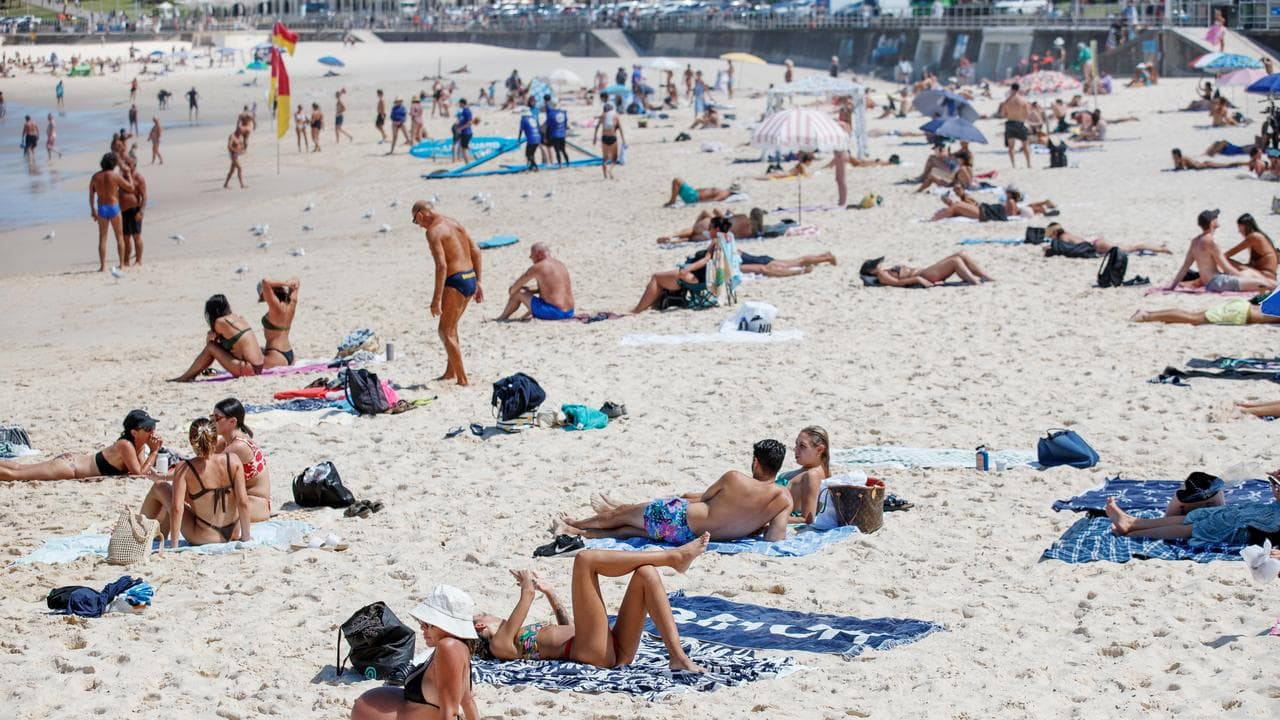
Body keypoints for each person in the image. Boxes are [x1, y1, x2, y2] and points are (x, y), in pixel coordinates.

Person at [472, 542, 709, 674]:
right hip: (592, 651)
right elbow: (528, 595)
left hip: (607, 646)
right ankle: (672, 558)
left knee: (646, 574)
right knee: (584, 560)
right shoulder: (499, 645)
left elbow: (568, 628)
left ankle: (677, 657)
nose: (491, 613)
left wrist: (552, 594)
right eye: (484, 614)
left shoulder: (514, 637)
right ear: (480, 624)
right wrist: (527, 584)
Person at [551, 440, 792, 543]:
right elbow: (776, 537)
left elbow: (706, 498)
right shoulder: (782, 498)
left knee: (620, 516)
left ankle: (573, 526)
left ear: (756, 462)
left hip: (676, 519)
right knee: (626, 530)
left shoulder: (735, 478)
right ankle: (587, 532)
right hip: (689, 538)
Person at [350, 585, 481, 720]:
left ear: (446, 625)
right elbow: (467, 701)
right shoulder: (458, 648)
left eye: (428, 623)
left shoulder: (448, 647)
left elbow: (450, 711)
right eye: (422, 621)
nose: (422, 627)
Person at [140, 418, 251, 547]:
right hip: (233, 533)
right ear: (215, 440)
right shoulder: (233, 460)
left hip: (204, 536)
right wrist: (246, 537)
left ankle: (137, 532)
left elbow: (177, 508)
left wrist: (174, 545)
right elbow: (243, 502)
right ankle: (159, 536)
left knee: (160, 487)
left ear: (191, 441)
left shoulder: (184, 467)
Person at [413, 201, 484, 386]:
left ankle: (463, 379)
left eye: (416, 221)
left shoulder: (433, 232)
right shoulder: (454, 222)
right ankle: (451, 371)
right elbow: (476, 251)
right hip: (470, 277)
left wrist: (436, 299)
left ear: (421, 215)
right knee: (452, 327)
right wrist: (479, 281)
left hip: (456, 281)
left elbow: (442, 266)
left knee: (444, 331)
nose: (419, 226)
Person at [0, 409, 161, 481]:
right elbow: (138, 473)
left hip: (71, 463)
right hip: (69, 468)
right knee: (18, 474)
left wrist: (149, 449)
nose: (152, 431)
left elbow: (143, 470)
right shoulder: (125, 445)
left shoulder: (136, 446)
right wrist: (154, 452)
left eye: (152, 427)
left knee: (19, 468)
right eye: (147, 428)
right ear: (134, 432)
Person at [1104, 480, 1280, 545]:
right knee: (1202, 515)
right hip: (1260, 515)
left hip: (1257, 530)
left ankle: (1132, 531)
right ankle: (1133, 523)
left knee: (1198, 527)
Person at [1166, 209, 1273, 292]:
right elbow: (1226, 267)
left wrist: (1172, 286)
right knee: (1267, 284)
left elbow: (1185, 267)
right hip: (1218, 282)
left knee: (1250, 273)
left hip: (1211, 282)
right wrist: (1242, 277)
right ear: (1212, 223)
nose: (1217, 219)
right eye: (1216, 218)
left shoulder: (1195, 242)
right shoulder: (1211, 242)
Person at [170, 294, 269, 381]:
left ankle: (187, 376)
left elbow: (211, 343)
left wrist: (208, 339)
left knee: (211, 347)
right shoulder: (238, 317)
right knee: (213, 347)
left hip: (248, 369)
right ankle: (188, 376)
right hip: (259, 367)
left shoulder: (220, 322)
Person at [211, 398, 271, 522]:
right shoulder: (226, 442)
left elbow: (205, 468)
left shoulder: (239, 446)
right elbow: (202, 461)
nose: (212, 423)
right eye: (211, 417)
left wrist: (163, 476)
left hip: (256, 504)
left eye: (216, 418)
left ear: (232, 422)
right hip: (242, 500)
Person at [496, 243, 575, 321]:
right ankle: (526, 314)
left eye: (532, 254)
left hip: (554, 313)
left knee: (518, 292)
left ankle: (502, 317)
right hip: (569, 312)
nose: (530, 257)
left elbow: (513, 289)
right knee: (524, 291)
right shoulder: (560, 264)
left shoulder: (538, 267)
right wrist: (529, 290)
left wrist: (513, 290)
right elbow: (550, 289)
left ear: (539, 254)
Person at [89, 152, 135, 272]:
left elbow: (91, 195)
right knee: (119, 237)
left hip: (102, 208)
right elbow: (130, 188)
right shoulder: (114, 176)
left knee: (102, 238)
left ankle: (103, 266)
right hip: (114, 207)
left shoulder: (95, 177)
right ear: (114, 163)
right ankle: (121, 264)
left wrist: (93, 210)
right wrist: (129, 173)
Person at [860, 253, 995, 287]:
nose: (879, 264)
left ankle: (986, 277)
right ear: (872, 271)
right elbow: (898, 283)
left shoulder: (883, 272)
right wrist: (918, 279)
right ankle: (974, 282)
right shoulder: (883, 276)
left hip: (926, 272)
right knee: (955, 261)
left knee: (960, 254)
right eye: (876, 265)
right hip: (925, 275)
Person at [1043, 222, 1170, 256]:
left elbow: (1067, 248)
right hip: (1097, 242)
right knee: (1130, 248)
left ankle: (1160, 249)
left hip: (1097, 246)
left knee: (1132, 248)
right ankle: (1157, 248)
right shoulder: (1067, 233)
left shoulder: (1063, 238)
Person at [1130, 298, 1280, 326]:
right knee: (1193, 318)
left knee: (1192, 316)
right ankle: (1147, 315)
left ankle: (1151, 315)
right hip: (1239, 313)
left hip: (1241, 308)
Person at [658, 207, 765, 244]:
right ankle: (674, 240)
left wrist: (724, 214)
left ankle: (673, 235)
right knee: (691, 237)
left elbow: (725, 221)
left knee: (694, 228)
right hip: (713, 234)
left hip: (712, 227)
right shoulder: (753, 232)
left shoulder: (742, 217)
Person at [1224, 213, 1278, 283]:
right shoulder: (1259, 236)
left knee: (1225, 261)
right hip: (1267, 275)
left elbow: (1231, 253)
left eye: (1240, 228)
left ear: (1246, 226)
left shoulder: (1254, 237)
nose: (1239, 231)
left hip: (1265, 276)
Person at [997, 82, 1032, 169]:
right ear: (1018, 89)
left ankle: (1013, 165)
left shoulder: (1007, 101)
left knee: (1011, 147)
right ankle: (1028, 164)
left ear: (1011, 89)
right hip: (1020, 123)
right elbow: (1027, 113)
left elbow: (1002, 114)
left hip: (1010, 123)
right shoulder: (1023, 100)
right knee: (1025, 145)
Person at [119, 158, 147, 266]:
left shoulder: (138, 178)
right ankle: (126, 260)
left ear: (134, 166)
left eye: (128, 164)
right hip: (123, 211)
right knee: (125, 237)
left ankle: (138, 260)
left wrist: (141, 211)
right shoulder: (121, 178)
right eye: (125, 163)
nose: (125, 166)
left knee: (136, 236)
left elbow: (144, 196)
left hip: (134, 210)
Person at [593, 101, 623, 180]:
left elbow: (597, 127)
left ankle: (605, 176)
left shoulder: (603, 115)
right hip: (613, 137)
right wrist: (624, 140)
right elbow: (620, 128)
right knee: (614, 158)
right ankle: (610, 170)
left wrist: (595, 138)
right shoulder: (616, 115)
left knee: (605, 158)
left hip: (604, 138)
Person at [663, 178, 738, 207]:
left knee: (677, 180)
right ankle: (672, 200)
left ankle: (672, 201)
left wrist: (699, 202)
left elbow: (715, 200)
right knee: (677, 183)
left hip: (694, 197)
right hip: (694, 194)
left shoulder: (724, 193)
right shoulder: (723, 191)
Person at [1170, 147, 1247, 171]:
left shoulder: (1181, 158)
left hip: (1203, 165)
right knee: (1225, 165)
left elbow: (1182, 169)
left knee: (1225, 166)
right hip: (1203, 164)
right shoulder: (1180, 158)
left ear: (1177, 155)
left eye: (1173, 155)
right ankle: (1240, 163)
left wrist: (1175, 167)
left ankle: (1240, 163)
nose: (1172, 157)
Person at [545, 98, 568, 167]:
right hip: (562, 134)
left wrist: (546, 136)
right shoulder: (563, 113)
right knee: (563, 150)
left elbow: (548, 126)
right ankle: (567, 163)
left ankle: (560, 164)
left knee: (557, 151)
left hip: (555, 135)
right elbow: (565, 124)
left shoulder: (551, 114)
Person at [517, 106, 541, 171]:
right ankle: (530, 167)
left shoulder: (523, 120)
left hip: (531, 139)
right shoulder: (533, 118)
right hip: (538, 138)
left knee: (528, 154)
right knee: (532, 154)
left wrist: (518, 139)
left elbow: (521, 130)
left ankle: (536, 167)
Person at [452, 98, 475, 162]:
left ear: (462, 103)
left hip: (466, 132)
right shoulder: (464, 111)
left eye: (459, 103)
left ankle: (468, 164)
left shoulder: (466, 111)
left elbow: (469, 123)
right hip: (465, 132)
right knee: (465, 148)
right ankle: (468, 162)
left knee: (464, 149)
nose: (459, 105)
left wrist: (460, 128)